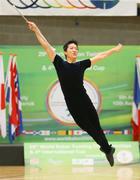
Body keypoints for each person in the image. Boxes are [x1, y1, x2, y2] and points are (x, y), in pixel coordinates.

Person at [27, 21, 123, 167]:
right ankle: (108, 149)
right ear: (65, 51)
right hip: (73, 105)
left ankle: (107, 149)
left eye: (76, 49)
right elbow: (46, 45)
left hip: (85, 100)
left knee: (97, 127)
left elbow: (100, 56)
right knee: (89, 129)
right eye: (71, 48)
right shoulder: (59, 63)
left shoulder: (81, 65)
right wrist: (36, 30)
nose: (75, 50)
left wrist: (114, 50)